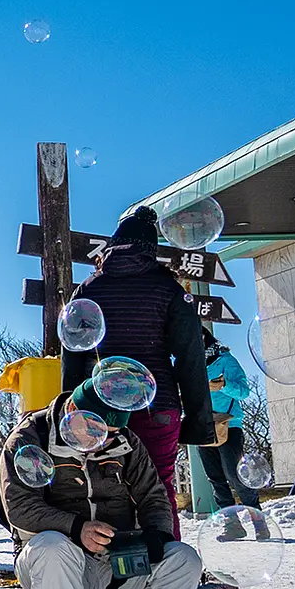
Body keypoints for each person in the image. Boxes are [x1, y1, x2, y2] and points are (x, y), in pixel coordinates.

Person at [0, 380, 201, 589]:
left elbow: (153, 496)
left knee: (183, 558)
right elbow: (20, 506)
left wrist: (157, 534)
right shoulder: (31, 438)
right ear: (73, 412)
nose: (104, 441)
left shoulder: (126, 443)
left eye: (111, 434)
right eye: (95, 431)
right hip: (52, 567)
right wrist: (77, 527)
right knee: (52, 547)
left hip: (114, 563)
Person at [60, 206, 214, 538]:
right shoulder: (171, 290)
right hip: (156, 405)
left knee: (103, 487)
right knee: (158, 487)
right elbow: (191, 360)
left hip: (99, 406)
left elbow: (72, 355)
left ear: (113, 245)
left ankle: (114, 572)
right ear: (151, 248)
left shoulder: (88, 290)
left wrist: (68, 412)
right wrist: (200, 423)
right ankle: (168, 567)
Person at [200, 331, 257, 509]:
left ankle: (257, 517)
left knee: (235, 475)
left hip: (229, 425)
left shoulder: (226, 360)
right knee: (215, 478)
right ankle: (231, 524)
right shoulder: (191, 365)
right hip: (202, 426)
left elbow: (244, 391)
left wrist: (223, 385)